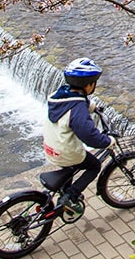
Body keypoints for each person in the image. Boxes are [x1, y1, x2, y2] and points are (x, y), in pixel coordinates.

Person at [42, 57, 115, 214]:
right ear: (88, 85)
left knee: (70, 169)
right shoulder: (77, 110)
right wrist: (107, 141)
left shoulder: (58, 95)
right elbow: (90, 136)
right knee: (94, 166)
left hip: (50, 146)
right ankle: (70, 197)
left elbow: (75, 102)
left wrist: (92, 106)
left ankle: (65, 192)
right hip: (65, 152)